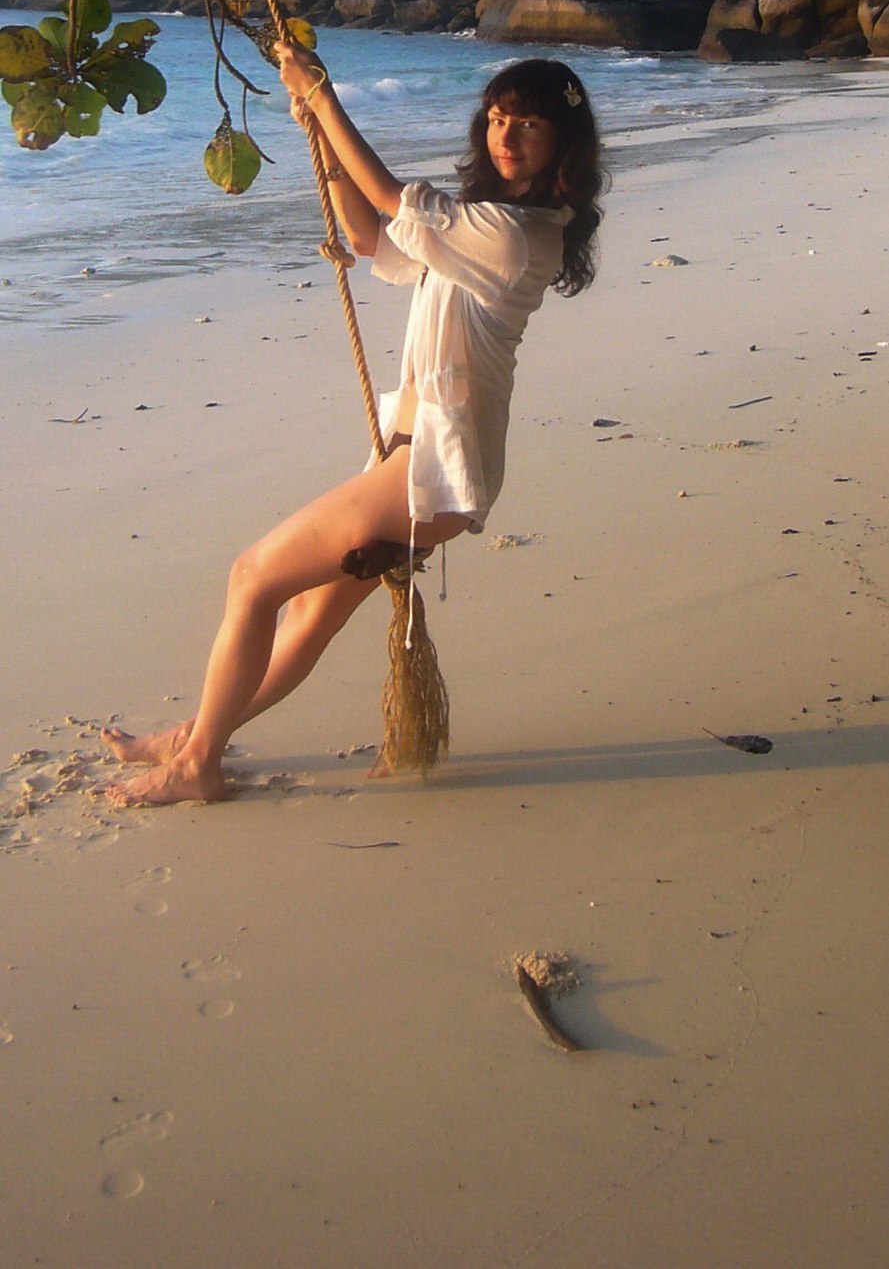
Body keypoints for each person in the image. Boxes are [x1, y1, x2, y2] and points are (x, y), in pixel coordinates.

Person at [102, 50, 606, 805]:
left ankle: (196, 761)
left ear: (563, 142)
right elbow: (372, 235)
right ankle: (194, 736)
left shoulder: (516, 234)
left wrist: (323, 96)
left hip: (431, 469)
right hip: (414, 461)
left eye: (529, 125)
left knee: (251, 579)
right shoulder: (479, 228)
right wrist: (322, 145)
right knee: (308, 612)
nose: (507, 136)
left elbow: (393, 198)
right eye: (499, 119)